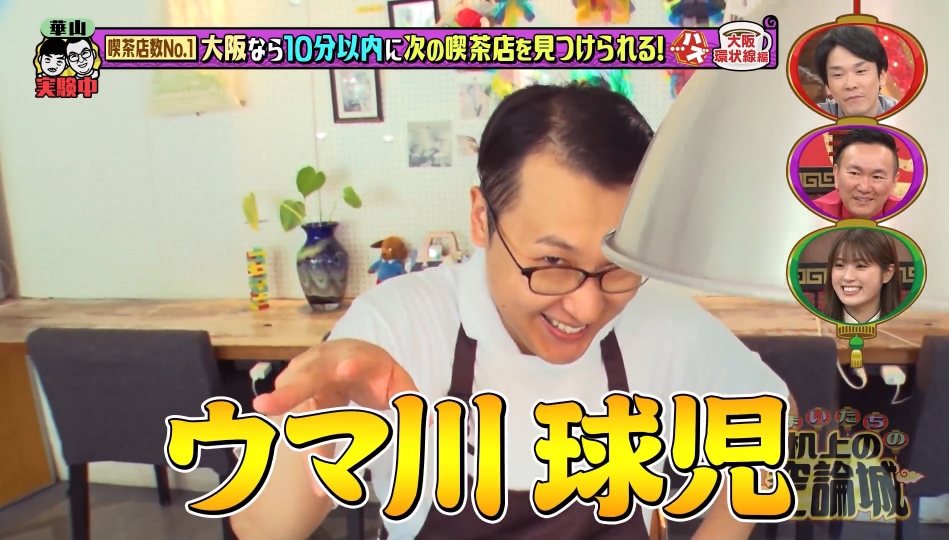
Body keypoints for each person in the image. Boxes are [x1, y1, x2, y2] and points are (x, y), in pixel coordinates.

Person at [230, 84, 795, 540]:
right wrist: (325, 421)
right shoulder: (398, 328)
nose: (587, 305)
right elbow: (260, 529)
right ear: (482, 219)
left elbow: (775, 412)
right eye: (552, 262)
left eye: (618, 265)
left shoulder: (661, 322)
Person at [813, 128, 902, 220]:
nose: (864, 188)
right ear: (836, 174)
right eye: (854, 173)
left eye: (877, 177)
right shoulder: (814, 214)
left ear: (894, 182)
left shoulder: (905, 215)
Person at [814, 25, 897, 118]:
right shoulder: (813, 119)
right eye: (838, 75)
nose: (850, 85)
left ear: (881, 76)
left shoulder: (904, 117)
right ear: (827, 86)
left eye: (860, 71)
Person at [822, 228, 901, 325]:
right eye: (839, 265)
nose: (848, 277)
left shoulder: (909, 330)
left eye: (860, 266)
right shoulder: (814, 329)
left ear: (887, 273)